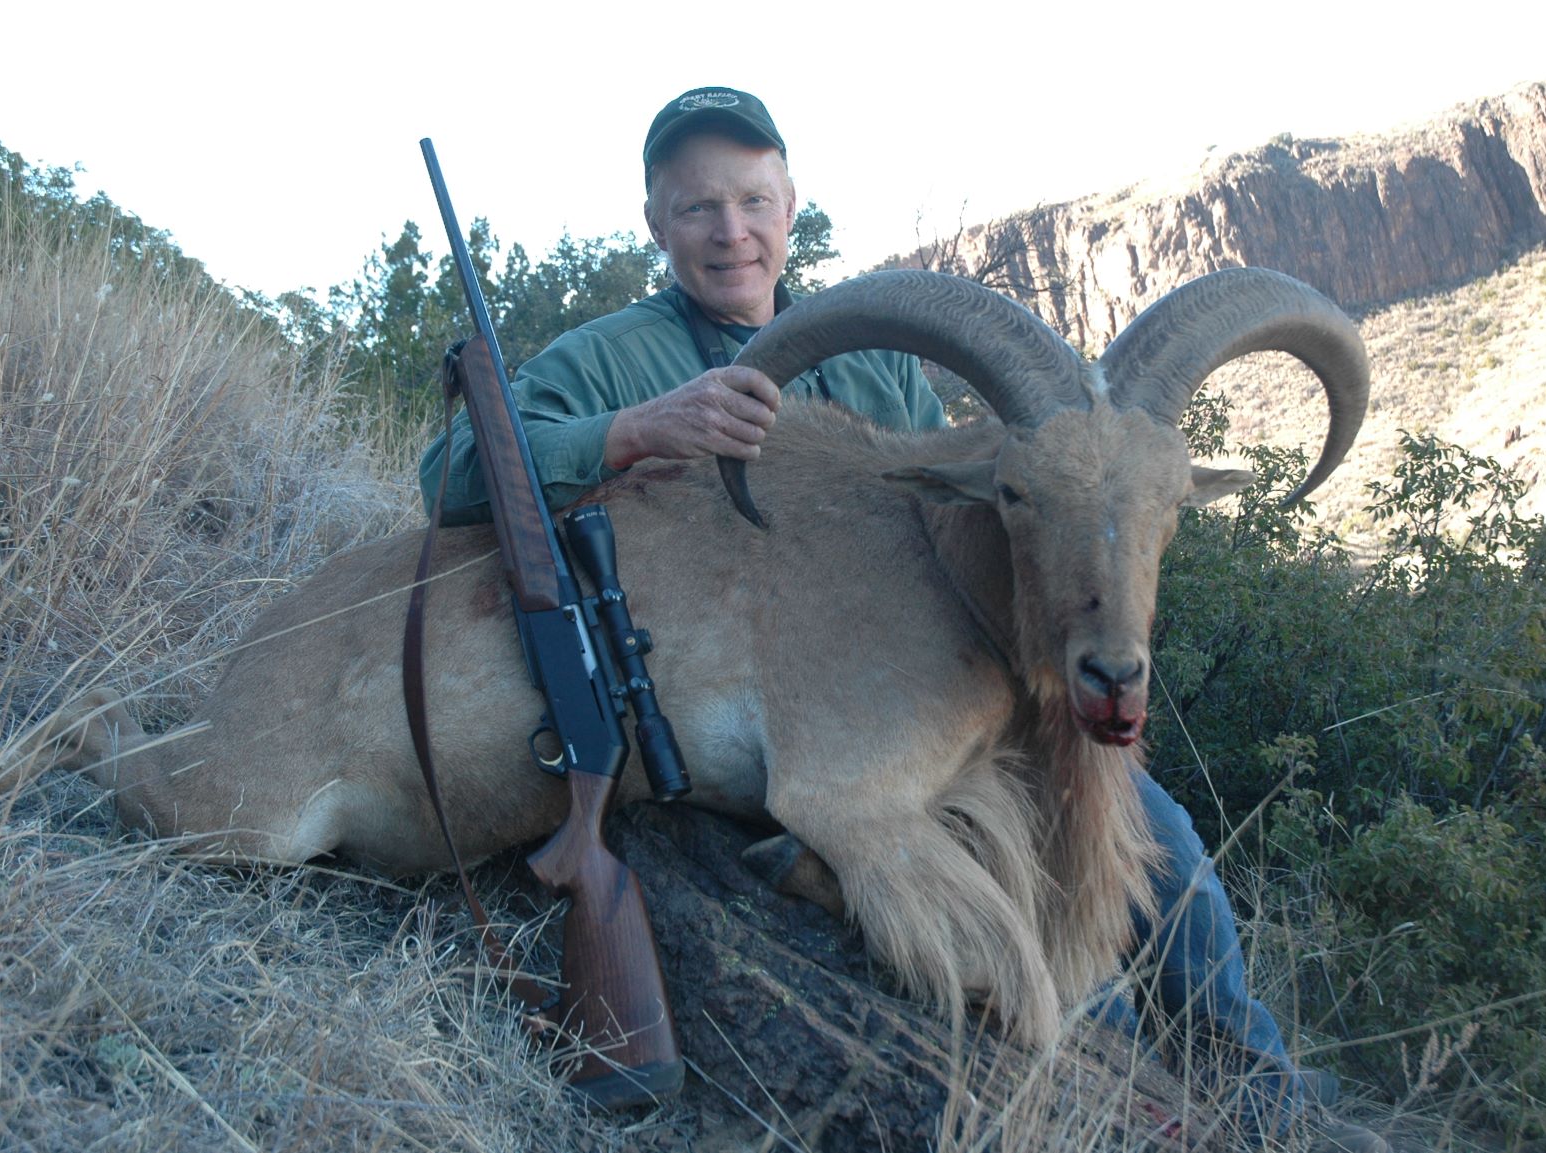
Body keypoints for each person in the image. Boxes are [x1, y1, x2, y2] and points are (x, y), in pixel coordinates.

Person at [419, 86, 1388, 1153]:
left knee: (1167, 843)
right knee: (1029, 903)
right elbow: (458, 476)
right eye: (697, 208)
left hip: (947, 695)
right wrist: (634, 430)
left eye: (752, 199)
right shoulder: (608, 358)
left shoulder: (875, 359)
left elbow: (968, 536)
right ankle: (1133, 1105)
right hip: (789, 712)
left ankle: (1266, 1098)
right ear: (657, 224)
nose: (730, 230)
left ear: (791, 206)